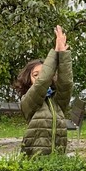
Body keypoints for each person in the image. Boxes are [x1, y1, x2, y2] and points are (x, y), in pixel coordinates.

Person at [16, 26, 73, 156]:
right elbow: (41, 83)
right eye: (35, 75)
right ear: (28, 79)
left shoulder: (56, 101)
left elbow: (66, 83)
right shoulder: (28, 100)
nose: (41, 77)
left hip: (56, 161)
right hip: (34, 160)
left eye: (45, 73)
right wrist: (55, 52)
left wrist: (63, 54)